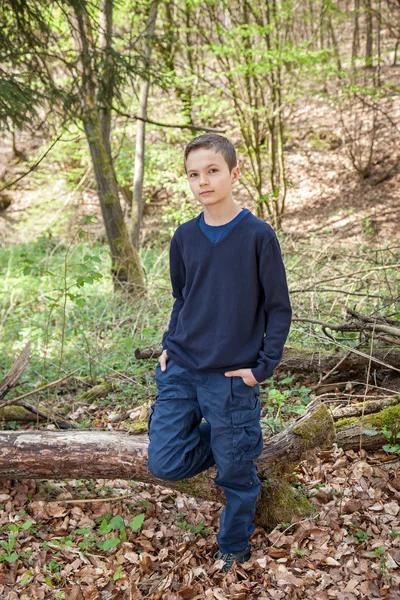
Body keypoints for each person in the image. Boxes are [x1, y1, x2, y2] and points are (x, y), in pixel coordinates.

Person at [147, 133, 292, 571]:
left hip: (231, 377)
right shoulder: (185, 237)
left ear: (234, 173)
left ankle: (233, 546)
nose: (203, 181)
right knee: (165, 461)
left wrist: (261, 368)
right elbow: (183, 297)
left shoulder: (257, 235)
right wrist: (169, 345)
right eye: (194, 174)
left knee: (235, 475)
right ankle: (237, 442)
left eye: (212, 171)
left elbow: (278, 308)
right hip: (181, 369)